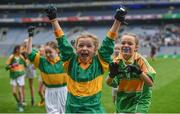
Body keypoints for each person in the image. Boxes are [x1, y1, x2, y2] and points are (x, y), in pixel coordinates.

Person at [45, 5, 127, 113]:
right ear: (76, 48)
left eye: (89, 46)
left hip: (93, 111)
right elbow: (62, 42)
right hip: (73, 111)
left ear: (95, 49)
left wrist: (117, 21)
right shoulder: (70, 61)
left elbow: (108, 43)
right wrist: (53, 19)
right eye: (81, 45)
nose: (84, 48)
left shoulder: (99, 62)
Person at [106, 33, 156, 113]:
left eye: (130, 43)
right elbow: (110, 83)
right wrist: (111, 75)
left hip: (139, 99)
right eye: (123, 43)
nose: (126, 45)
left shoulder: (140, 61)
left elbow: (150, 83)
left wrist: (139, 72)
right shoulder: (116, 62)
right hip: (122, 99)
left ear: (136, 48)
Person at [26, 26, 67, 113]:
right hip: (49, 92)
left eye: (50, 52)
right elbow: (29, 53)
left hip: (64, 91)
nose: (47, 54)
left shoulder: (64, 60)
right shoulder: (42, 61)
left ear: (57, 50)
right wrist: (30, 36)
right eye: (46, 52)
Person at [5, 45, 26, 112]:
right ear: (17, 50)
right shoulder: (12, 57)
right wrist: (12, 66)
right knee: (14, 93)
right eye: (21, 49)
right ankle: (19, 102)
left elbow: (25, 65)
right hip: (13, 76)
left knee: (20, 91)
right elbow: (6, 67)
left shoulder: (21, 57)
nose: (22, 50)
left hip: (20, 75)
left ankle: (21, 105)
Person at [21, 39, 36, 106]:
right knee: (22, 85)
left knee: (31, 85)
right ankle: (23, 100)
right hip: (23, 68)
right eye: (25, 43)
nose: (26, 43)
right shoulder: (22, 50)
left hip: (31, 67)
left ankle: (32, 99)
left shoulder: (32, 50)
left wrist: (35, 65)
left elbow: (35, 58)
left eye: (27, 42)